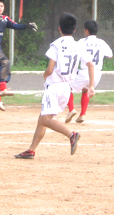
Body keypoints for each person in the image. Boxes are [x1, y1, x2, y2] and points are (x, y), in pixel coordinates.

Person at [15, 13, 95, 159]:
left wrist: (45, 75)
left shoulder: (57, 44)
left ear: (59, 28)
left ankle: (71, 134)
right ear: (74, 30)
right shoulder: (78, 45)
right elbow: (90, 65)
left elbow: (50, 68)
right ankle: (31, 150)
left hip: (54, 87)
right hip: (67, 88)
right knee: (43, 118)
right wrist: (91, 86)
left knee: (45, 120)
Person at [0, 0, 37, 111]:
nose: (0, 8)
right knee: (5, 62)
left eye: (2, 6)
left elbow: (16, 26)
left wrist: (27, 26)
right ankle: (3, 89)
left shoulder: (5, 18)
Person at [65, 20, 113, 124]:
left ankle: (71, 109)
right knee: (85, 90)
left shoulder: (82, 42)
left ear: (86, 30)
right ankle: (82, 114)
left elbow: (72, 52)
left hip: (85, 72)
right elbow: (110, 55)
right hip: (97, 74)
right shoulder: (102, 42)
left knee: (66, 87)